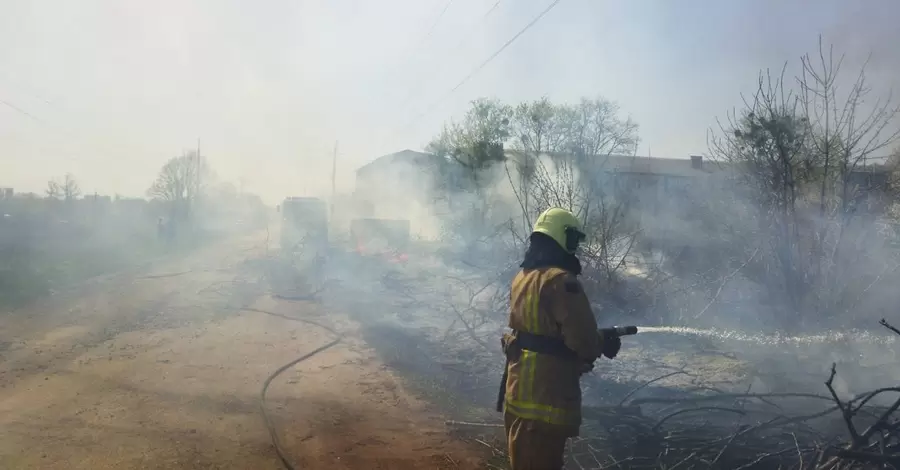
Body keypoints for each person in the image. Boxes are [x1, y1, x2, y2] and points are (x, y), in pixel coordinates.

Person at [497, 207, 621, 470]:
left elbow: (539, 332)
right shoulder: (562, 281)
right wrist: (602, 342)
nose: (575, 247)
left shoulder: (523, 276)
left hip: (518, 392)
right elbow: (583, 340)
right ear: (560, 237)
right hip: (546, 399)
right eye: (573, 239)